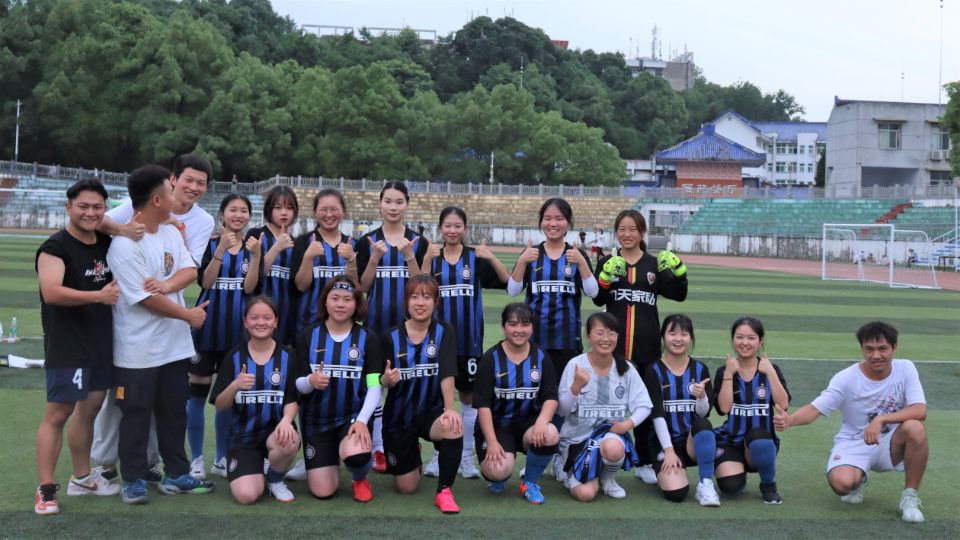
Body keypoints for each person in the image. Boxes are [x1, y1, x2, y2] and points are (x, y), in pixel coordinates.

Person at [92, 154, 215, 482]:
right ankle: (131, 478)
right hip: (138, 349)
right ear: (158, 198)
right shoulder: (124, 244)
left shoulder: (172, 230)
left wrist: (167, 285)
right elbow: (145, 299)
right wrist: (187, 314)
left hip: (173, 346)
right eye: (173, 189)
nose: (181, 195)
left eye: (200, 183)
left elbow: (190, 269)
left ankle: (177, 473)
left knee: (173, 411)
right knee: (133, 413)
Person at [773, 322, 927, 523]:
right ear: (862, 348)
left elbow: (920, 410)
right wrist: (789, 420)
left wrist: (881, 419)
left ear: (894, 348)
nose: (876, 355)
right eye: (869, 349)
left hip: (891, 443)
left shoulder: (905, 368)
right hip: (854, 442)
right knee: (841, 485)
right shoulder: (845, 378)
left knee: (915, 427)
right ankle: (859, 477)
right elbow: (815, 408)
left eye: (883, 349)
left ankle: (910, 498)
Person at [34, 179, 121, 515]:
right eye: (83, 206)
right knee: (58, 414)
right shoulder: (55, 247)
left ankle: (82, 478)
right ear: (68, 207)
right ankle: (45, 489)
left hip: (100, 341)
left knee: (90, 410)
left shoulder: (105, 241)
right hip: (68, 344)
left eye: (97, 207)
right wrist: (98, 296)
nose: (90, 212)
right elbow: (52, 292)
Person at [593, 209, 688, 484]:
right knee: (608, 406)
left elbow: (679, 295)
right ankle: (601, 458)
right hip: (613, 349)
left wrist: (679, 271)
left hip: (647, 349)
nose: (627, 234)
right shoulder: (607, 261)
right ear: (616, 232)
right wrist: (605, 276)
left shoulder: (654, 264)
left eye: (632, 229)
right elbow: (598, 298)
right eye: (622, 229)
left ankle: (644, 461)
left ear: (642, 232)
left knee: (645, 406)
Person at [421, 207, 510, 480]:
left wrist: (491, 256)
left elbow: (507, 281)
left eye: (457, 225)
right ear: (440, 228)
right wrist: (425, 260)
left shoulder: (475, 257)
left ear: (465, 228)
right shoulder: (433, 257)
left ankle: (466, 455)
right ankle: (440, 455)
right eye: (447, 225)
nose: (452, 230)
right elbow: (418, 287)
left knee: (469, 399)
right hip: (437, 343)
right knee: (439, 399)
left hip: (470, 342)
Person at [186, 194, 261, 480]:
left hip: (236, 333)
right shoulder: (209, 244)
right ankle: (196, 458)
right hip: (206, 329)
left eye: (244, 211)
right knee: (196, 395)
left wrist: (257, 256)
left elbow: (249, 288)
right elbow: (206, 282)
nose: (238, 215)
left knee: (227, 397)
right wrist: (219, 250)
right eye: (233, 210)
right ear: (222, 215)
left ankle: (221, 458)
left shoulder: (253, 247)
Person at [356, 181, 428, 472]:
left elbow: (423, 285)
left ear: (407, 204)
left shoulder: (418, 241)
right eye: (388, 201)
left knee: (407, 384)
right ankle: (376, 447)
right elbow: (363, 286)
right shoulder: (368, 240)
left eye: (399, 202)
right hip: (375, 327)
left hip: (410, 329)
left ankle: (407, 442)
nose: (393, 207)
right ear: (380, 203)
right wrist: (374, 258)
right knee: (375, 383)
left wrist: (409, 255)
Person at [294, 276, 384, 502]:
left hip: (352, 418)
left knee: (356, 454)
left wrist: (362, 420)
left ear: (357, 304)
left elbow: (375, 387)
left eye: (347, 299)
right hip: (316, 421)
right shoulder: (308, 336)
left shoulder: (368, 338)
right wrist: (310, 381)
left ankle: (359, 477)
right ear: (325, 302)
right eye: (335, 298)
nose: (341, 304)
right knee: (323, 491)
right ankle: (330, 457)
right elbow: (298, 385)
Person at [379, 275, 463, 514]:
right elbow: (373, 378)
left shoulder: (444, 331)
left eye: (427, 297)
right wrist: (385, 380)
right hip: (398, 417)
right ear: (406, 302)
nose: (420, 302)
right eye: (414, 296)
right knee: (406, 488)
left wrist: (450, 409)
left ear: (435, 302)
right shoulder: (389, 336)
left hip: (431, 413)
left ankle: (444, 491)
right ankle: (412, 452)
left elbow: (447, 372)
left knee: (453, 426)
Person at [212, 296, 302, 504]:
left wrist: (286, 421)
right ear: (245, 322)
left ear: (276, 321)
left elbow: (292, 398)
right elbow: (220, 405)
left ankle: (275, 479)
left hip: (274, 433)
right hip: (243, 438)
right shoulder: (233, 357)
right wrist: (235, 385)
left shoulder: (288, 356)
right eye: (254, 317)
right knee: (247, 496)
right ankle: (256, 468)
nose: (261, 322)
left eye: (267, 317)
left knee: (288, 439)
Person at [557, 312, 653, 501]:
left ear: (618, 336)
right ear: (588, 336)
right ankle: (569, 466)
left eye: (611, 333)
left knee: (613, 447)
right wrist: (575, 388)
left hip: (610, 437)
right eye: (599, 333)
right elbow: (561, 411)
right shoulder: (575, 365)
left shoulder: (626, 368)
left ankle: (607, 479)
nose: (606, 339)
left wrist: (627, 425)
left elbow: (644, 405)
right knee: (585, 494)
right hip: (577, 441)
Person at [473, 303, 559, 504]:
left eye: (525, 324)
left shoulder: (541, 357)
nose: (519, 330)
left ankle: (529, 482)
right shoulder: (490, 358)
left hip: (528, 423)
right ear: (503, 327)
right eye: (513, 324)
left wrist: (542, 421)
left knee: (550, 433)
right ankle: (500, 477)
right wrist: (492, 442)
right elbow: (483, 405)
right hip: (498, 425)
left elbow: (551, 397)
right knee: (496, 470)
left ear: (532, 328)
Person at [642, 314, 720, 506]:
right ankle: (671, 467)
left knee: (704, 425)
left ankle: (706, 483)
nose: (678, 339)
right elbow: (657, 415)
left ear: (691, 338)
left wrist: (701, 397)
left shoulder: (700, 369)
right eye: (672, 333)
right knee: (676, 494)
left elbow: (703, 414)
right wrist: (668, 451)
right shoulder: (653, 370)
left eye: (684, 334)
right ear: (663, 337)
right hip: (663, 443)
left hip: (691, 442)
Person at [713, 317, 790, 504]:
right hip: (731, 440)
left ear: (760, 341)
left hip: (761, 442)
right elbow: (723, 408)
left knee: (758, 434)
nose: (745, 342)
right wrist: (729, 374)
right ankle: (738, 470)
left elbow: (783, 404)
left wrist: (770, 372)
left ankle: (768, 484)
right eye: (740, 337)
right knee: (730, 488)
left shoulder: (771, 369)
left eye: (751, 338)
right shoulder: (724, 370)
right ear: (733, 340)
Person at [292, 189, 359, 334]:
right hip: (308, 322)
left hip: (344, 324)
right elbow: (301, 286)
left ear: (343, 212)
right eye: (323, 209)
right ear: (315, 212)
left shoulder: (353, 244)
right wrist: (308, 257)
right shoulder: (303, 242)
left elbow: (356, 288)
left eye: (334, 209)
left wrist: (351, 259)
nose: (329, 214)